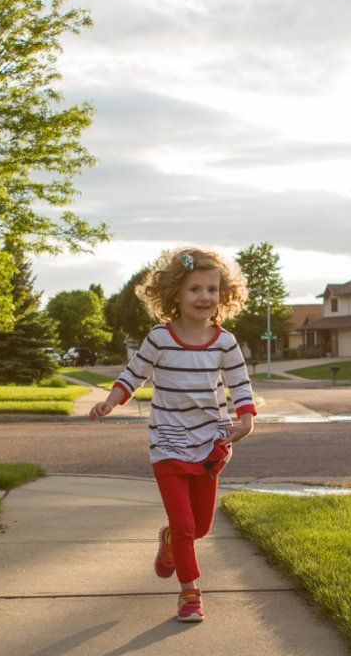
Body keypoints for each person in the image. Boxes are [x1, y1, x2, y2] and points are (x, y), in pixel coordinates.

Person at [89, 246, 256, 622]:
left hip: (210, 443)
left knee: (200, 526)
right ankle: (190, 593)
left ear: (223, 294)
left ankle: (169, 542)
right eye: (195, 289)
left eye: (212, 290)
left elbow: (239, 384)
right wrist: (111, 400)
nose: (204, 297)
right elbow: (134, 374)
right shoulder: (160, 339)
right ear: (175, 293)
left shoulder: (224, 342)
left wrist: (246, 419)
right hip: (167, 444)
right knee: (185, 526)